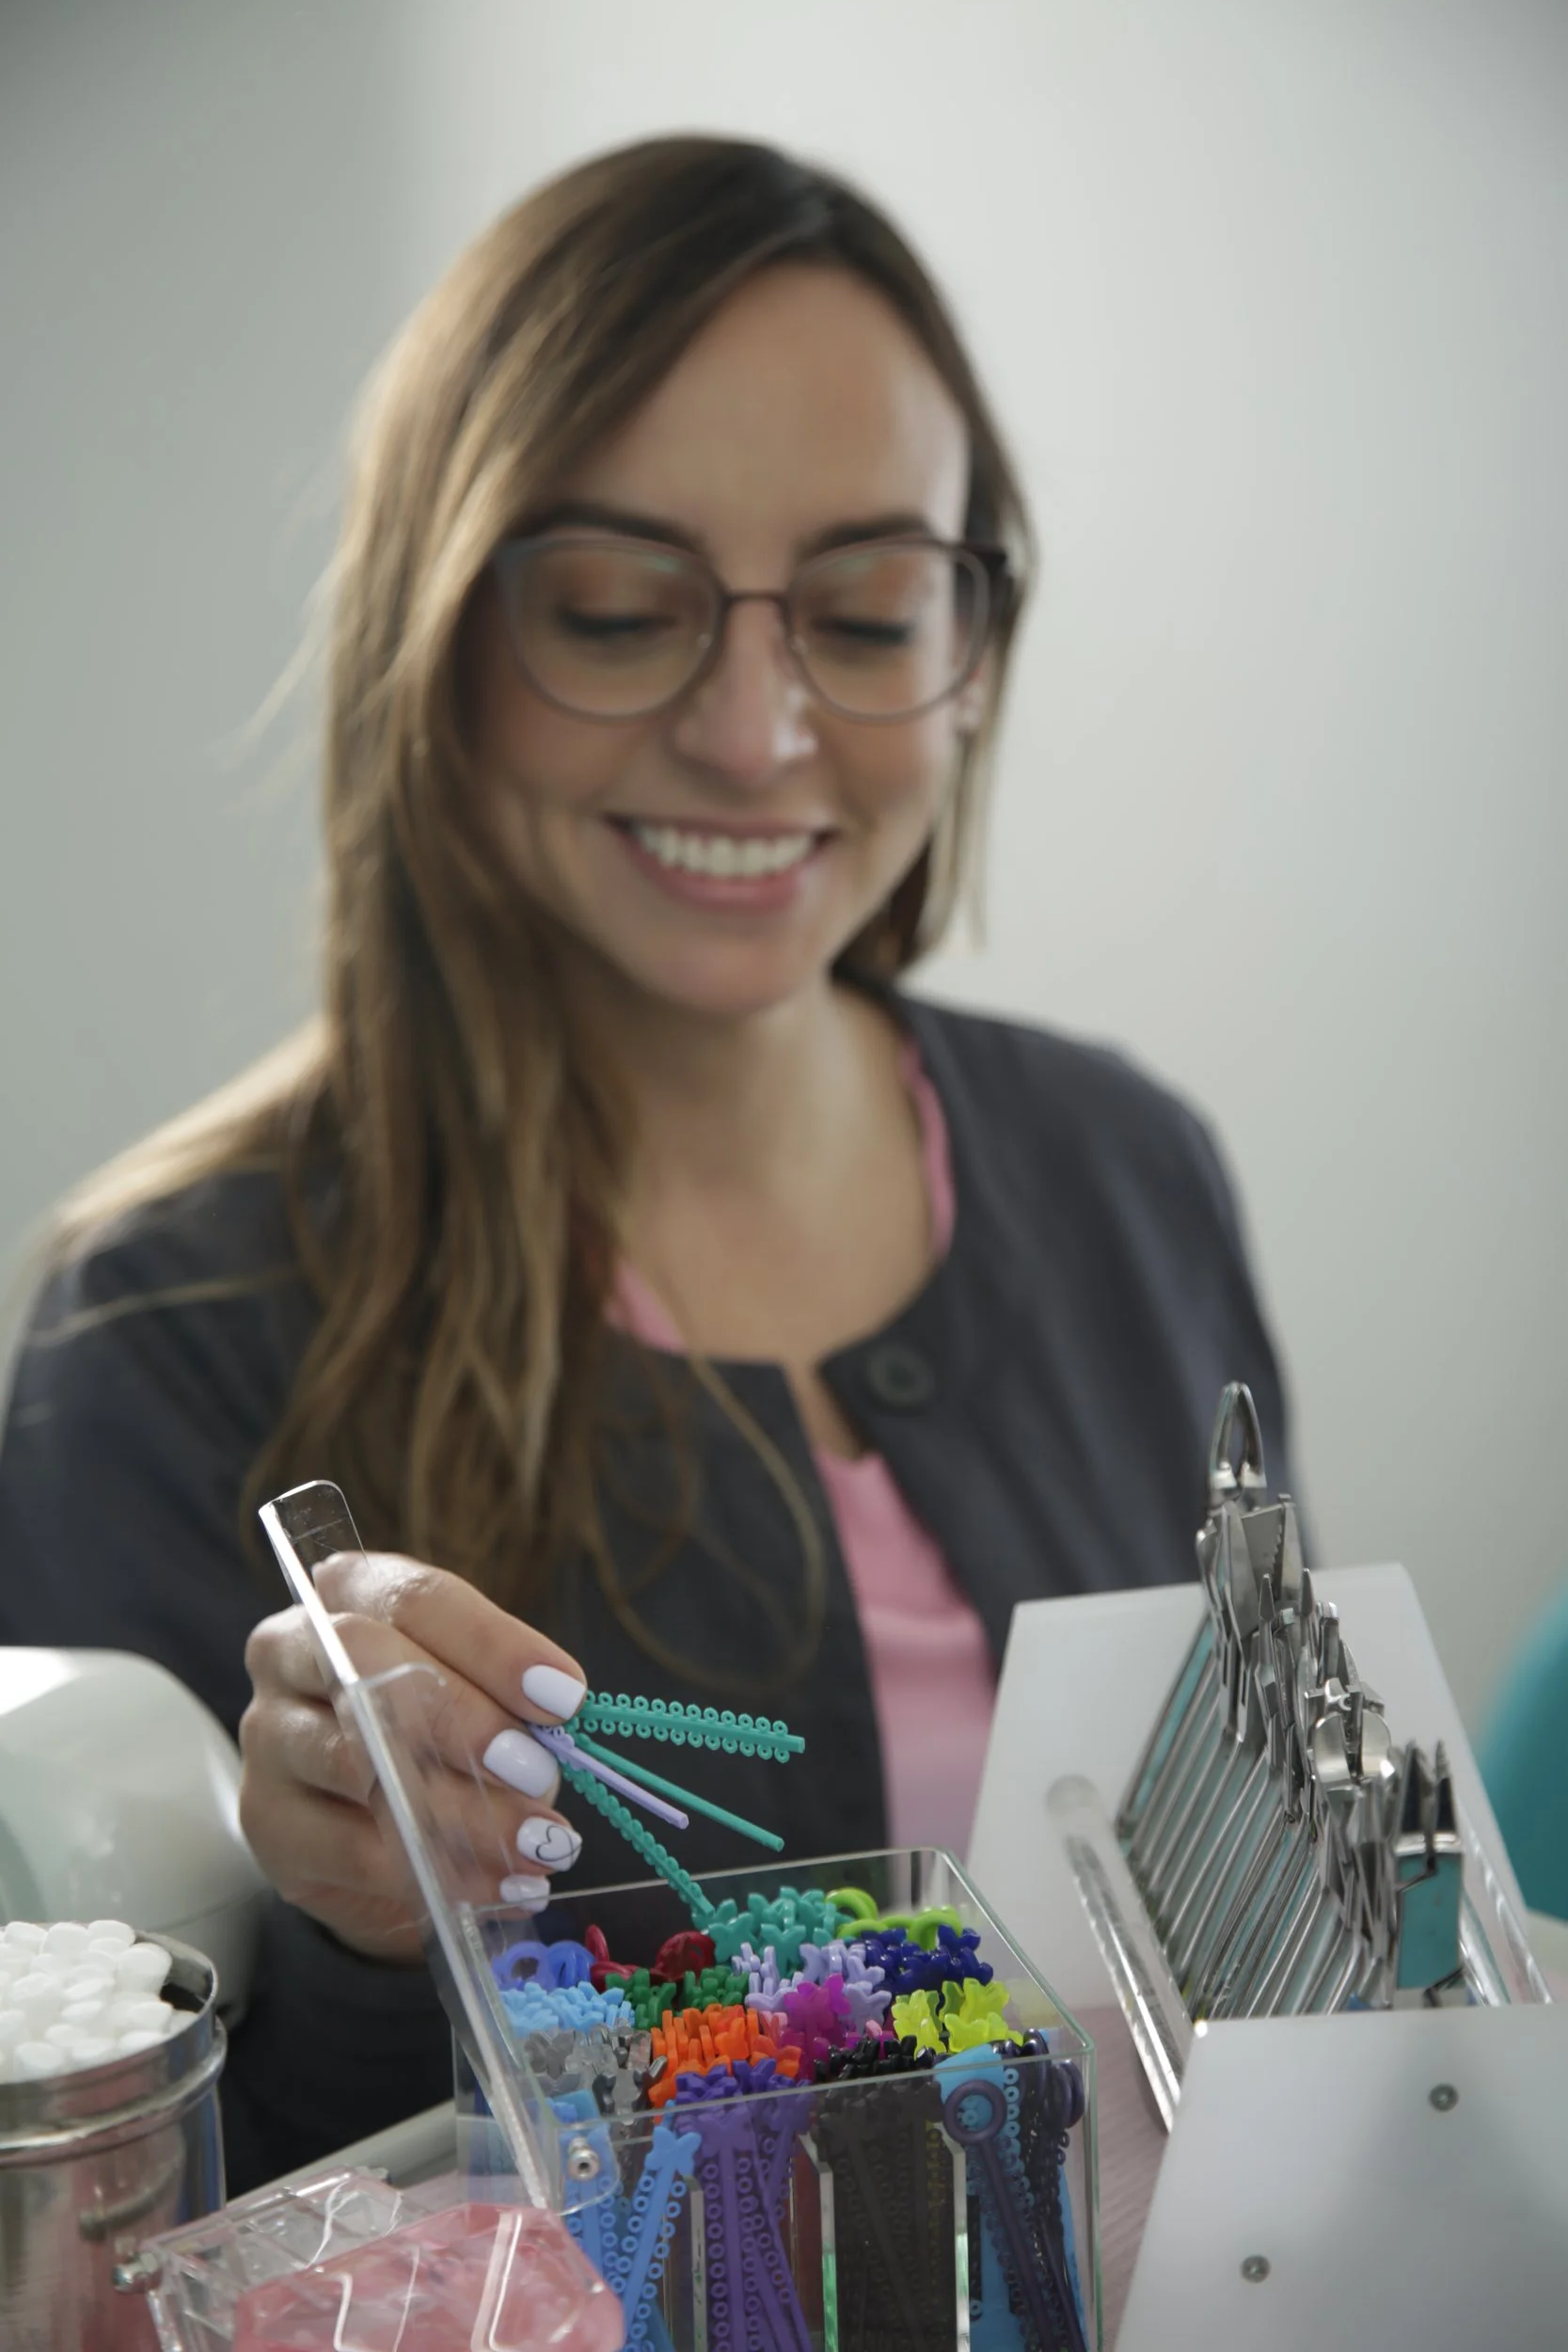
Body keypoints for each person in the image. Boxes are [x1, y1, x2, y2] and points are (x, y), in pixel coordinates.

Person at [0, 136, 1291, 2187]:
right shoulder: (172, 1325)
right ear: (442, 636)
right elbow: (140, 2212)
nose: (757, 730)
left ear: (973, 644)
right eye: (618, 610)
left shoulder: (1132, 1174)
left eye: (867, 613)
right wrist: (348, 1916)